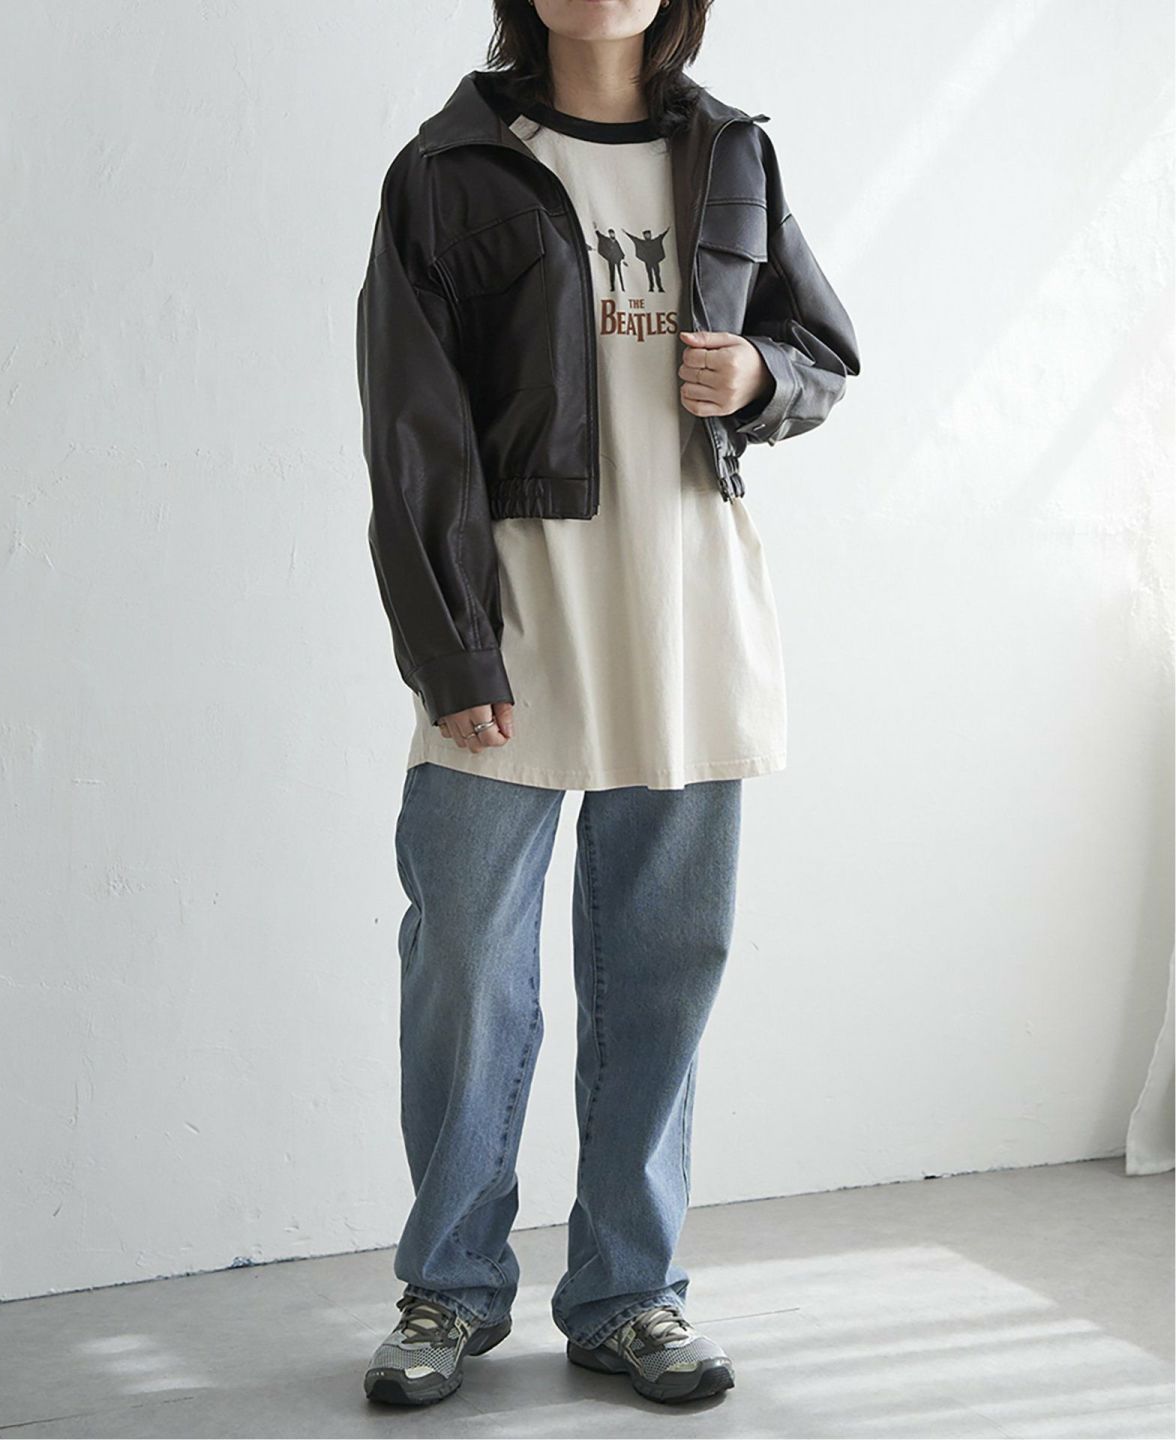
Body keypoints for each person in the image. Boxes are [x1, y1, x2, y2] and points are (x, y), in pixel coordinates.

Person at [354, 0, 859, 1409]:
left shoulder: (732, 151)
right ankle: (450, 1290)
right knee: (466, 966)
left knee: (661, 971)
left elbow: (821, 352)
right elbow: (411, 430)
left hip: (688, 606)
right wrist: (453, 652)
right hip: (516, 611)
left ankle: (631, 1291)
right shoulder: (449, 167)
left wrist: (760, 376)